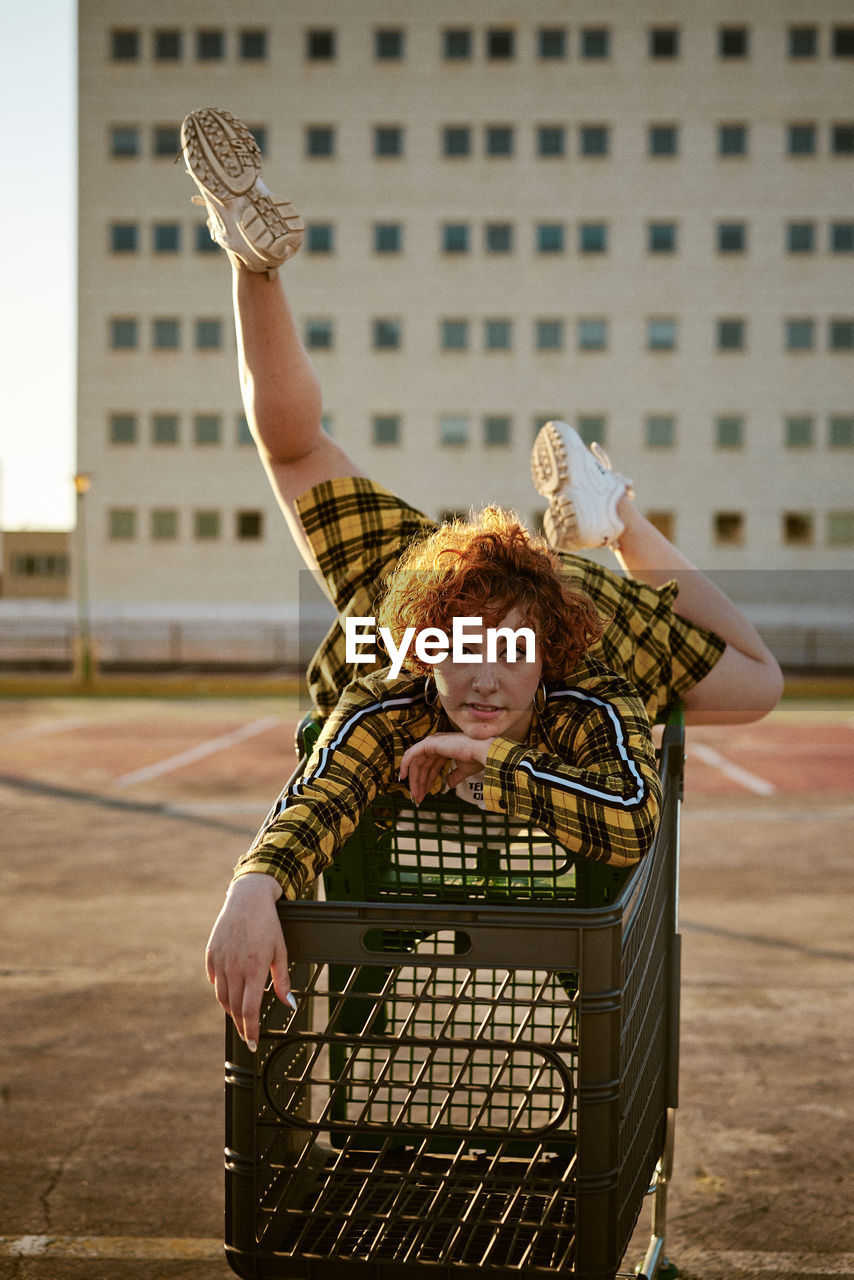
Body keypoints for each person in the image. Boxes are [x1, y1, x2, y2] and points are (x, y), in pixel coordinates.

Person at [179, 107, 783, 1047]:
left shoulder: (593, 672)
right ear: (426, 650)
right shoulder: (399, 684)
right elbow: (327, 784)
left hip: (571, 595)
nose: (486, 679)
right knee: (292, 454)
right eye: (461, 655)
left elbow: (630, 817)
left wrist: (488, 762)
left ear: (545, 652)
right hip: (417, 574)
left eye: (506, 654)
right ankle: (251, 260)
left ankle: (615, 513)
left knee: (761, 683)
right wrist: (252, 884)